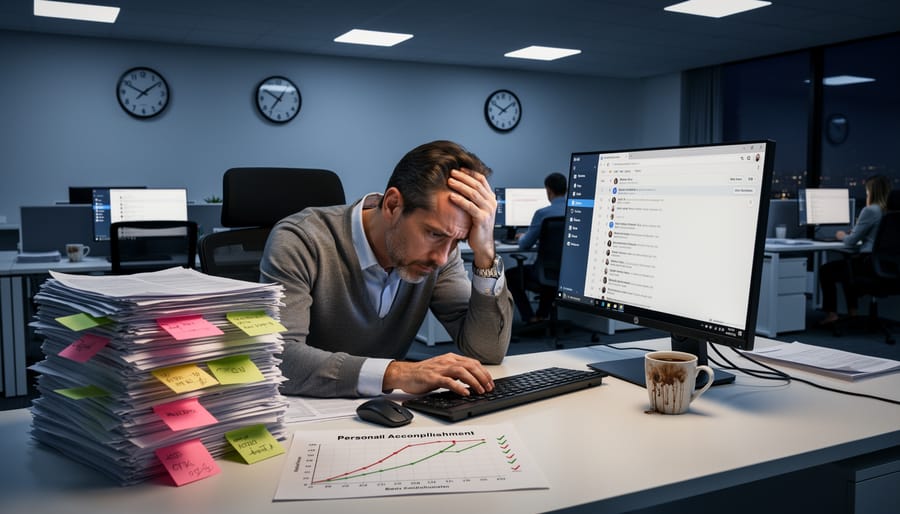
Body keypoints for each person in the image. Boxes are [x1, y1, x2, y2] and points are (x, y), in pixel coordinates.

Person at [260, 140, 514, 398]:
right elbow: (281, 358)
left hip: (389, 412)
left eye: (456, 241)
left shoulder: (442, 254)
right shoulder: (301, 239)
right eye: (434, 233)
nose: (441, 258)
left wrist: (485, 254)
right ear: (393, 205)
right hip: (305, 412)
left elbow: (488, 351)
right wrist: (399, 374)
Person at [818, 175, 892, 325]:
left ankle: (832, 314)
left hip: (868, 264)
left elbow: (851, 242)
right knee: (847, 267)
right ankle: (853, 313)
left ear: (872, 192)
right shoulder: (890, 213)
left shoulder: (871, 210)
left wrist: (841, 235)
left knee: (826, 270)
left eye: (867, 192)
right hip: (887, 266)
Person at [505, 172, 567, 323]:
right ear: (566, 190)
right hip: (569, 274)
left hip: (546, 272)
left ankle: (530, 317)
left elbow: (525, 244)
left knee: (510, 276)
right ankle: (542, 314)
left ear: (549, 191)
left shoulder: (542, 213)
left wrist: (523, 236)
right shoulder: (577, 211)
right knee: (551, 272)